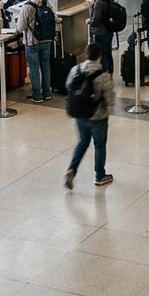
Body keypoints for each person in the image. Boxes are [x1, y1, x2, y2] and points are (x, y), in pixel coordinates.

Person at [64, 43, 116, 189]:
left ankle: (72, 170)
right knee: (99, 146)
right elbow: (110, 99)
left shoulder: (75, 70)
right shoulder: (103, 76)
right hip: (98, 116)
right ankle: (100, 176)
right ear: (99, 56)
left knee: (82, 142)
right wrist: (109, 111)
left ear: (86, 55)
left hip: (80, 114)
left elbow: (68, 86)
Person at [17, 0, 55, 103]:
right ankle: (47, 93)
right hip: (47, 39)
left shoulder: (27, 6)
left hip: (32, 41)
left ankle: (37, 95)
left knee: (34, 69)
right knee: (46, 66)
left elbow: (20, 27)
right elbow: (54, 16)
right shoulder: (46, 2)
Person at [87, 0, 116, 79]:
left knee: (102, 55)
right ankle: (110, 74)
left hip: (100, 32)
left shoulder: (99, 2)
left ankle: (104, 77)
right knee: (108, 53)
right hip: (109, 30)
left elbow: (96, 20)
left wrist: (89, 20)